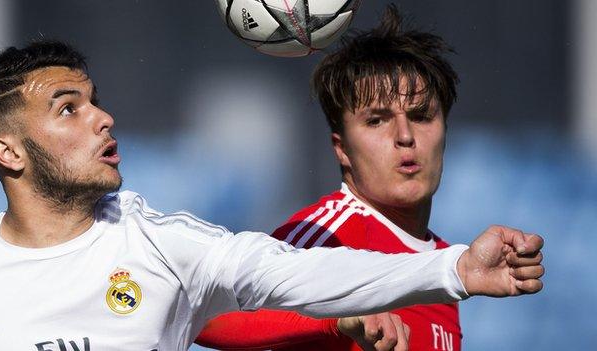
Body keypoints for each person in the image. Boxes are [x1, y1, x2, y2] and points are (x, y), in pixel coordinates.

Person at [0, 41, 544, 351]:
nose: (103, 118)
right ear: (10, 152)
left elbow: (288, 275)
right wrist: (329, 327)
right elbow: (231, 323)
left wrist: (455, 269)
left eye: (422, 116)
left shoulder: (165, 245)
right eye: (69, 108)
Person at [196, 5, 532, 351]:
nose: (405, 136)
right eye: (377, 120)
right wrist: (335, 320)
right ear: (341, 148)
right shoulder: (327, 235)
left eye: (421, 116)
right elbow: (208, 314)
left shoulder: (444, 261)